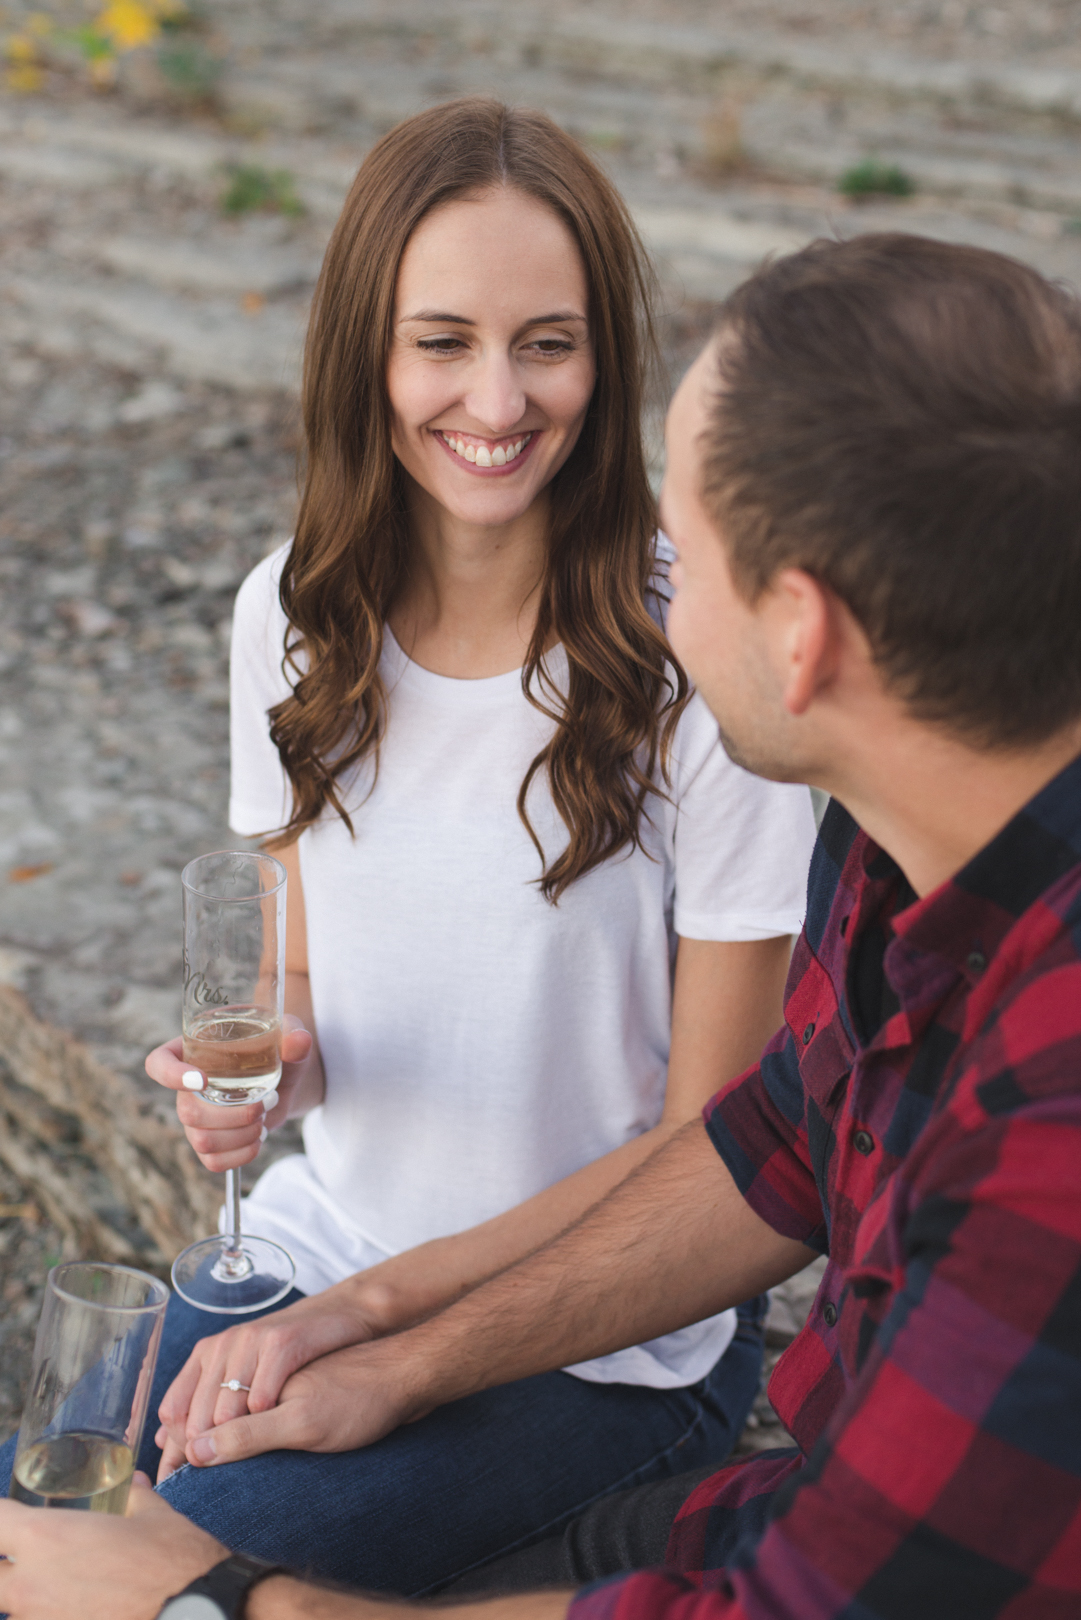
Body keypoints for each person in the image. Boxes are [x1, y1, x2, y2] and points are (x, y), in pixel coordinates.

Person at [5, 226, 1080, 1620]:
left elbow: (813, 1605)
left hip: (750, 1494)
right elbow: (768, 1143)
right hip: (739, 1474)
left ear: (798, 638)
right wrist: (379, 1332)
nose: (650, 584)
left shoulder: (1047, 1135)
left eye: (681, 550)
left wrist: (208, 1602)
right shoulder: (896, 866)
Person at [0, 96, 818, 1591]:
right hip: (320, 1257)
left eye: (547, 342)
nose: (496, 399)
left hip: (599, 1345)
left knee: (178, 1576)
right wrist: (255, 1084)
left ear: (604, 357)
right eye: (441, 340)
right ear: (364, 353)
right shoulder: (290, 616)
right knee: (35, 1527)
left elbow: (720, 1142)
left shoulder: (698, 655)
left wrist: (398, 1331)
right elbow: (299, 991)